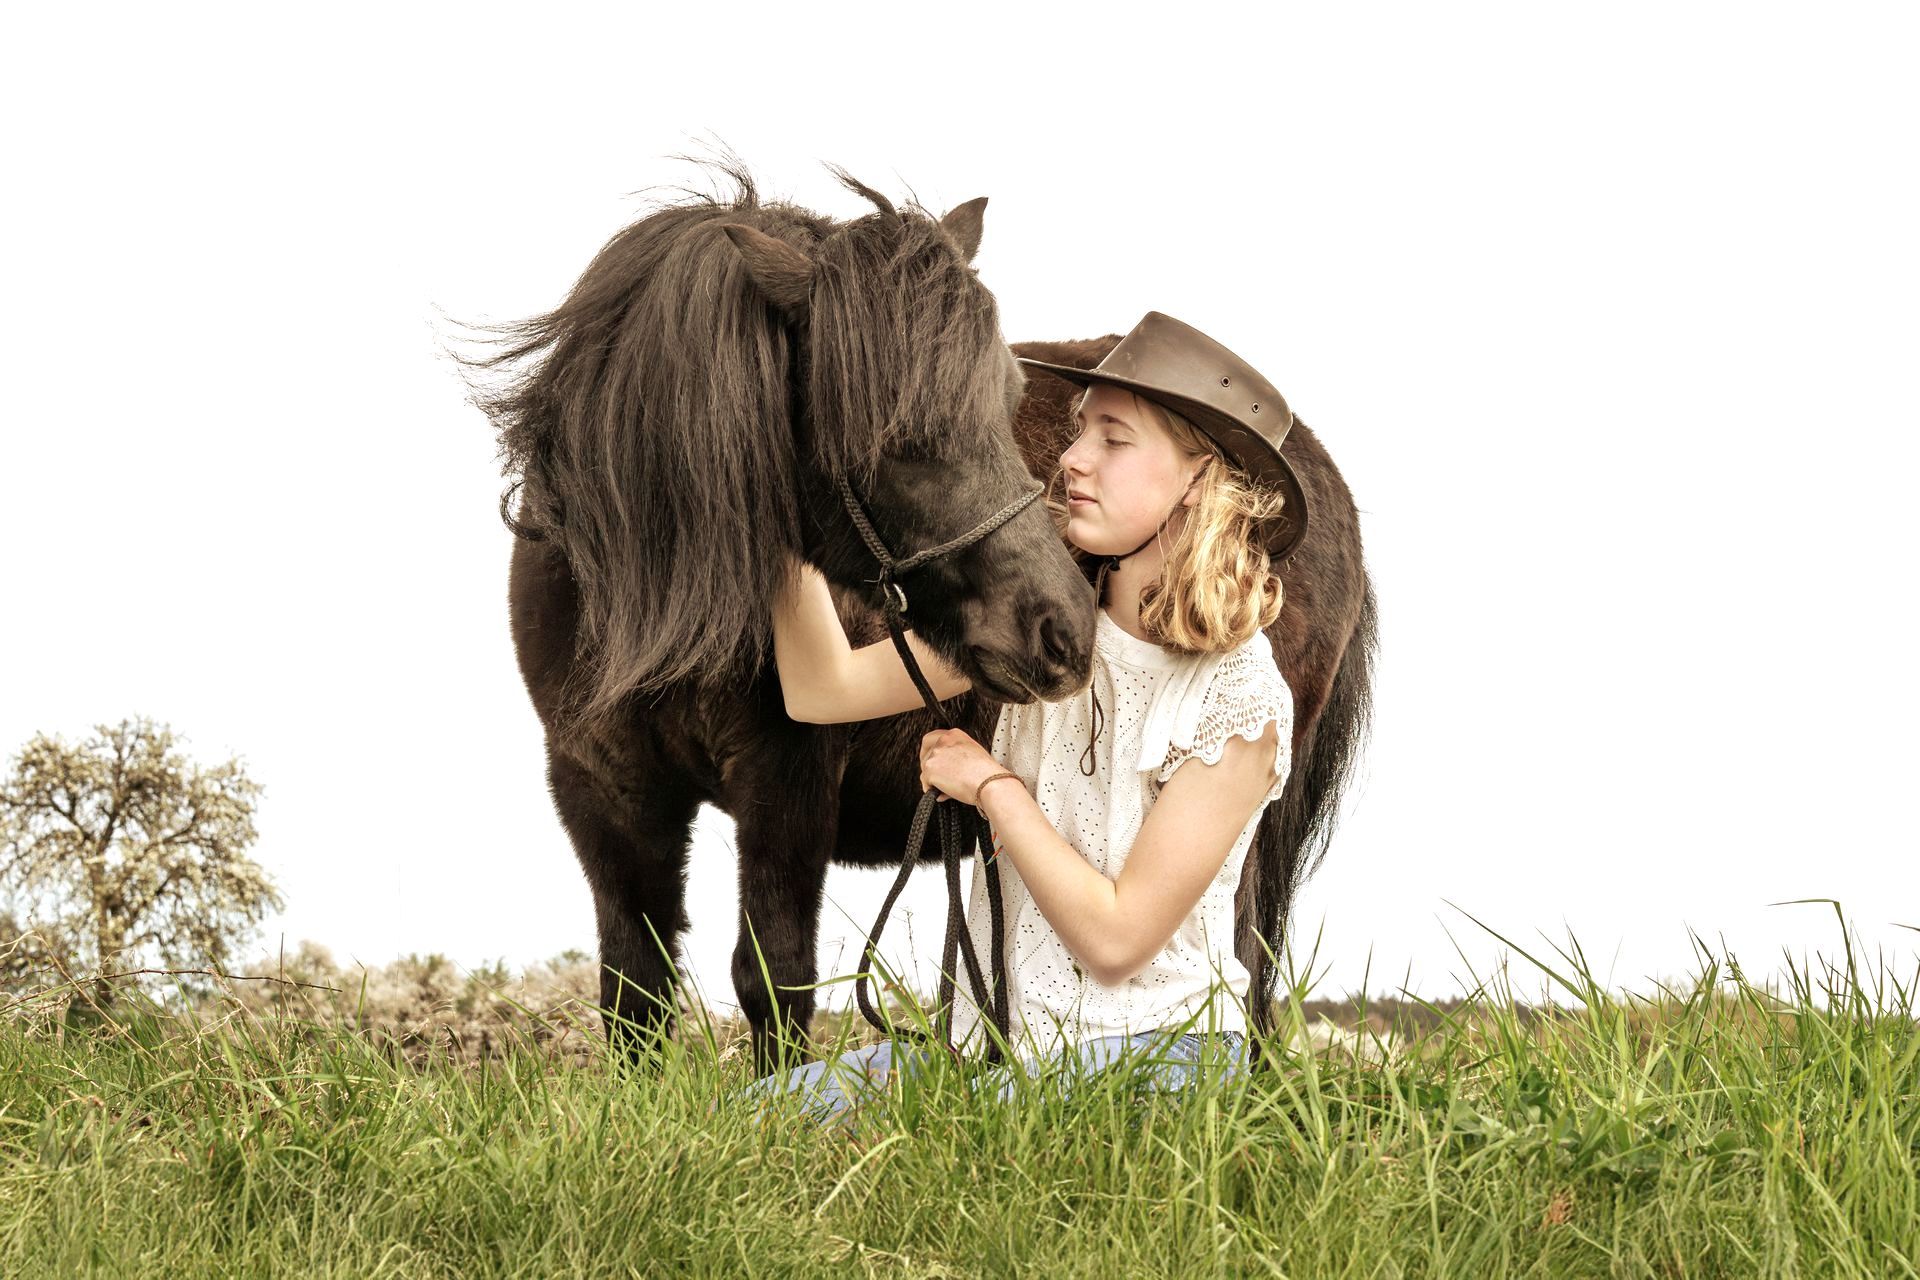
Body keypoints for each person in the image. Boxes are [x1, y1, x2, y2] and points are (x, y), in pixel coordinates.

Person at [738, 311, 1309, 1131]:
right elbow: (821, 690)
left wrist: (992, 789)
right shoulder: (1045, 626)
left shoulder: (1238, 699)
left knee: (927, 1138)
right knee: (748, 1125)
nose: (1072, 459)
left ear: (1198, 479)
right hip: (1000, 1049)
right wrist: (786, 517)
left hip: (1157, 1057)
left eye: (1114, 439)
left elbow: (1117, 941)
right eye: (1081, 432)